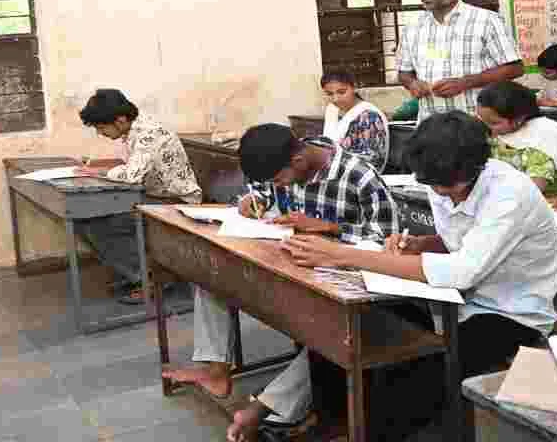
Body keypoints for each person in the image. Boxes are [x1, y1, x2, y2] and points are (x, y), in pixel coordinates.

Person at [283, 111, 557, 425]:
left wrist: (342, 255)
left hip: (511, 312)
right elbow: (458, 240)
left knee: (417, 375)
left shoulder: (509, 194)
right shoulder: (440, 175)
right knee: (352, 330)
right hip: (452, 301)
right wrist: (420, 244)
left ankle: (380, 431)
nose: (440, 193)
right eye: (433, 184)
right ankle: (335, 425)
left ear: (476, 167)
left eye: (449, 187)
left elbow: (463, 271)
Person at [160, 124, 398, 441]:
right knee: (211, 277)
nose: (277, 187)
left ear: (298, 161)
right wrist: (251, 201)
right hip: (286, 263)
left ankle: (267, 406)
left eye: (278, 181)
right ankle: (216, 369)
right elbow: (262, 193)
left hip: (339, 276)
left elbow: (389, 240)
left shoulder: (359, 176)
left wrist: (329, 228)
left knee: (330, 332)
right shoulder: (282, 162)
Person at [75, 88, 202, 304]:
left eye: (101, 127)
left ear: (120, 120)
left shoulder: (148, 133)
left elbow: (132, 175)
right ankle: (138, 273)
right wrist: (101, 168)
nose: (100, 133)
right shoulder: (136, 129)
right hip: (156, 196)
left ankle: (151, 279)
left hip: (177, 202)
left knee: (98, 224)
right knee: (85, 219)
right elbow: (134, 169)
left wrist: (101, 173)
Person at [396, 0, 523, 120]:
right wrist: (412, 84)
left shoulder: (487, 21)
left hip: (477, 122)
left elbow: (515, 68)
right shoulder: (412, 27)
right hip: (430, 124)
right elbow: (404, 72)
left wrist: (465, 83)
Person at [475, 81, 557, 201]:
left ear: (518, 119)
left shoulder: (540, 138)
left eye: (493, 123)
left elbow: (531, 190)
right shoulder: (496, 134)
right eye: (481, 119)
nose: (485, 126)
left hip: (541, 204)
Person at [319, 70, 390, 171]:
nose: (335, 99)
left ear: (354, 87)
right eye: (329, 94)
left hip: (359, 174)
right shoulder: (332, 110)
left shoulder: (368, 116)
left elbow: (369, 161)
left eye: (342, 92)